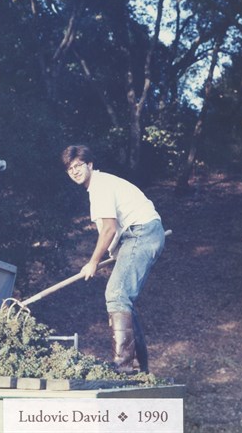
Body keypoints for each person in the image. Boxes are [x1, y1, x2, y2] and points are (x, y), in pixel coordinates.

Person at [61, 145, 165, 373]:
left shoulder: (100, 187)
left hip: (141, 232)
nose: (75, 171)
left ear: (90, 165)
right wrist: (113, 255)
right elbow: (114, 233)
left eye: (78, 165)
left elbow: (108, 229)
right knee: (122, 296)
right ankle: (137, 366)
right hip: (139, 234)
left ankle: (124, 367)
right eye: (70, 168)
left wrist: (93, 262)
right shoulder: (100, 186)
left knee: (116, 294)